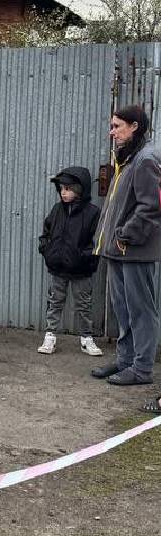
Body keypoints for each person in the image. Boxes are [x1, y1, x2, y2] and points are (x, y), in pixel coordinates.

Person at [91, 105, 161, 388]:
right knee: (123, 308)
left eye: (117, 126)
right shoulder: (128, 157)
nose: (112, 132)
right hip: (119, 251)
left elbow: (152, 206)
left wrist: (125, 235)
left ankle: (142, 369)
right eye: (112, 126)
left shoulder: (146, 159)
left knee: (141, 310)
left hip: (134, 250)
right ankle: (125, 360)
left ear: (134, 126)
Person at [37, 166, 102, 356]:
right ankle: (50, 336)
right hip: (58, 267)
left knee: (83, 304)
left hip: (81, 270)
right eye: (62, 189)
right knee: (55, 301)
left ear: (80, 189)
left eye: (68, 189)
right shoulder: (57, 210)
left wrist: (84, 258)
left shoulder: (92, 213)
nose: (64, 193)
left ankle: (86, 338)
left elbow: (97, 241)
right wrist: (48, 251)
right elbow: (46, 234)